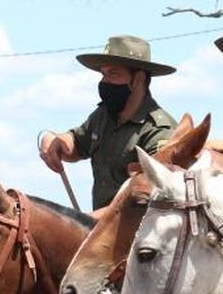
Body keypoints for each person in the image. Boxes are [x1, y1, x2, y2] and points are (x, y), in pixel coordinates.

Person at [39, 35, 177, 209]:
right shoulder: (104, 115)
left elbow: (149, 202)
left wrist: (86, 224)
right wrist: (55, 140)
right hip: (100, 229)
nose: (104, 82)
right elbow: (77, 143)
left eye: (114, 74)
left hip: (136, 232)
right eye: (103, 74)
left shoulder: (159, 132)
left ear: (139, 79)